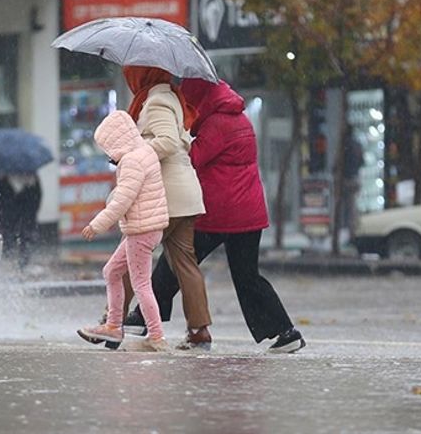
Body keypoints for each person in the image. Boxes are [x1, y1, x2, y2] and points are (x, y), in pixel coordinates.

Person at [125, 79, 306, 353]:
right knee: (247, 277)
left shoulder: (217, 124)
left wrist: (177, 136)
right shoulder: (238, 119)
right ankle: (286, 332)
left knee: (177, 260)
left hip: (220, 212)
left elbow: (193, 158)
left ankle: (142, 318)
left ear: (200, 98)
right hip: (248, 213)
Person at [119, 66, 212, 350]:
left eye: (132, 73)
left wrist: (134, 155)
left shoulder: (157, 101)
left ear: (143, 74)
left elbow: (168, 142)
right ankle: (199, 330)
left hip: (165, 195)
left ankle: (113, 320)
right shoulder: (172, 97)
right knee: (185, 263)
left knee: (129, 257)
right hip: (185, 195)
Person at [77, 110, 169, 352]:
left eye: (107, 148)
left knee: (141, 285)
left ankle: (156, 336)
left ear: (115, 142)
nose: (108, 154)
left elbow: (122, 201)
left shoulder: (131, 161)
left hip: (141, 230)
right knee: (111, 271)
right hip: (147, 227)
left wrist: (96, 225)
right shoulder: (145, 151)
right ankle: (113, 326)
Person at [0, 172, 42, 269]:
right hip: (13, 200)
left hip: (22, 199)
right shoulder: (31, 178)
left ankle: (21, 260)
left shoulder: (31, 181)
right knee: (12, 230)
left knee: (23, 231)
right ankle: (13, 258)